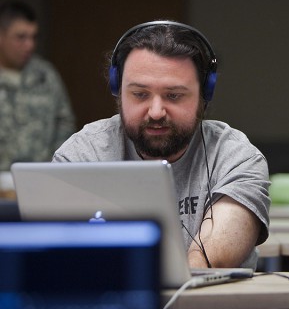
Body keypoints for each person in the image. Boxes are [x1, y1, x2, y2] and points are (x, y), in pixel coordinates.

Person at [52, 20, 271, 269]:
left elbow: (210, 257)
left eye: (174, 95)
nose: (156, 112)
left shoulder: (236, 156)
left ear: (205, 94)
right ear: (117, 89)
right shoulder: (82, 154)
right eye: (140, 94)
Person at [0, 0, 76, 171]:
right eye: (21, 37)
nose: (30, 45)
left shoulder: (45, 75)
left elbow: (65, 124)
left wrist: (55, 167)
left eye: (33, 37)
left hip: (41, 179)